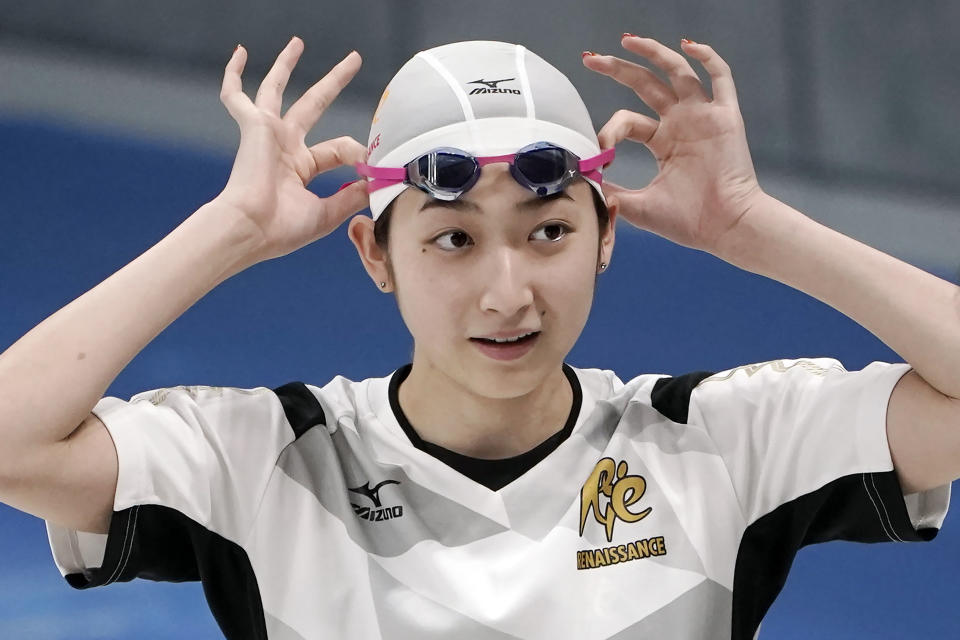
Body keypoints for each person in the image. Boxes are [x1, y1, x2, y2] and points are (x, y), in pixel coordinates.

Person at [0, 33, 956, 640]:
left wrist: (752, 225)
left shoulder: (721, 442)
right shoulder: (268, 463)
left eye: (550, 233)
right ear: (375, 253)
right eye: (454, 239)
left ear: (606, 235)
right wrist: (228, 232)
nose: (510, 294)